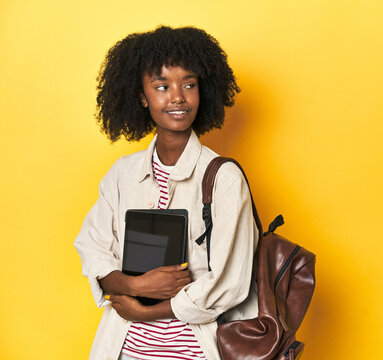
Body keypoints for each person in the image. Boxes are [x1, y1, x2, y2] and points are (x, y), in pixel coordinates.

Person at [74, 26, 258, 360]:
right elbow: (92, 247)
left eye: (189, 84)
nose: (177, 97)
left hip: (195, 351)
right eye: (162, 86)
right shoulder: (122, 174)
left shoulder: (224, 179)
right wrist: (135, 287)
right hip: (123, 349)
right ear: (142, 97)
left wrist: (147, 310)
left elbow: (230, 283)